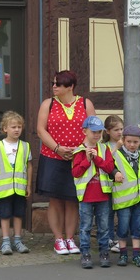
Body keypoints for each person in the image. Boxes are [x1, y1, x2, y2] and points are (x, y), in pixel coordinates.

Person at [36, 70, 96, 255]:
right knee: (55, 199)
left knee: (72, 199)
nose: (54, 87)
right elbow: (41, 129)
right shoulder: (49, 104)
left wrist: (80, 150)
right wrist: (57, 148)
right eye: (53, 83)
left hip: (77, 159)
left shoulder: (86, 104)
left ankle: (70, 238)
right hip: (52, 157)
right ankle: (58, 239)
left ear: (70, 87)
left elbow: (93, 129)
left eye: (58, 84)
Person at [71, 115, 115, 269]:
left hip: (102, 195)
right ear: (85, 131)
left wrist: (96, 159)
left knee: (104, 227)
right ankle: (86, 254)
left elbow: (110, 168)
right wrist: (86, 160)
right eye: (94, 132)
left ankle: (104, 253)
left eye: (99, 132)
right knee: (85, 227)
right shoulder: (79, 151)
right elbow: (76, 172)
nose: (97, 135)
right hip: (86, 196)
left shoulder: (104, 148)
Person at [0, 111, 33, 255]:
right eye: (13, 127)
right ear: (5, 128)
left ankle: (17, 240)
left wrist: (28, 185)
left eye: (19, 126)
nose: (17, 129)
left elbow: (29, 166)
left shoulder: (25, 146)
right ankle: (6, 241)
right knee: (5, 214)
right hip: (4, 189)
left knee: (19, 214)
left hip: (20, 188)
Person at [112, 125, 140, 268]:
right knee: (123, 227)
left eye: (135, 142)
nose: (132, 145)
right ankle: (123, 254)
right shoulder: (118, 154)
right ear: (123, 141)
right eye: (129, 142)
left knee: (138, 227)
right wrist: (115, 173)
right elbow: (107, 163)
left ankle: (136, 255)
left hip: (139, 198)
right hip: (124, 199)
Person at [102, 115, 124, 253]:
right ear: (108, 131)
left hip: (122, 185)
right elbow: (105, 161)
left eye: (121, 129)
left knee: (122, 213)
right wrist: (116, 147)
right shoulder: (104, 146)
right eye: (116, 129)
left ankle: (120, 238)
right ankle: (109, 239)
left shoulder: (125, 143)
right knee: (108, 213)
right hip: (108, 185)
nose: (120, 132)